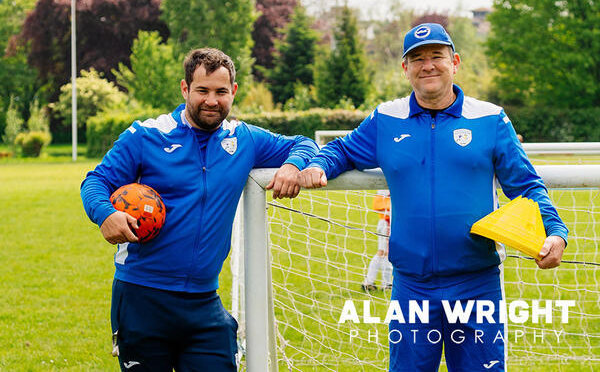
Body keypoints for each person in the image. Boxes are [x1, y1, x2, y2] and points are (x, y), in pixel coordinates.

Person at [298, 23, 568, 371]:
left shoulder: (489, 119)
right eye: (417, 58)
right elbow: (342, 150)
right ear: (405, 68)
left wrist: (556, 232)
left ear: (454, 62)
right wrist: (319, 164)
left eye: (437, 56)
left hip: (477, 282)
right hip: (411, 285)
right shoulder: (386, 119)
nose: (428, 65)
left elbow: (527, 185)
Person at [81, 47, 319, 371]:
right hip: (142, 297)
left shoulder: (244, 139)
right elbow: (95, 181)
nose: (211, 100)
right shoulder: (146, 135)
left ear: (233, 92)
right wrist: (104, 213)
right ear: (184, 89)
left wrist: (292, 166)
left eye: (221, 91)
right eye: (202, 90)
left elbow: (304, 143)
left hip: (204, 303)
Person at [362, 190, 393, 291]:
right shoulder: (384, 187)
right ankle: (384, 283)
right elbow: (377, 204)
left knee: (384, 252)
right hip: (386, 222)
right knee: (384, 252)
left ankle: (372, 282)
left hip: (388, 222)